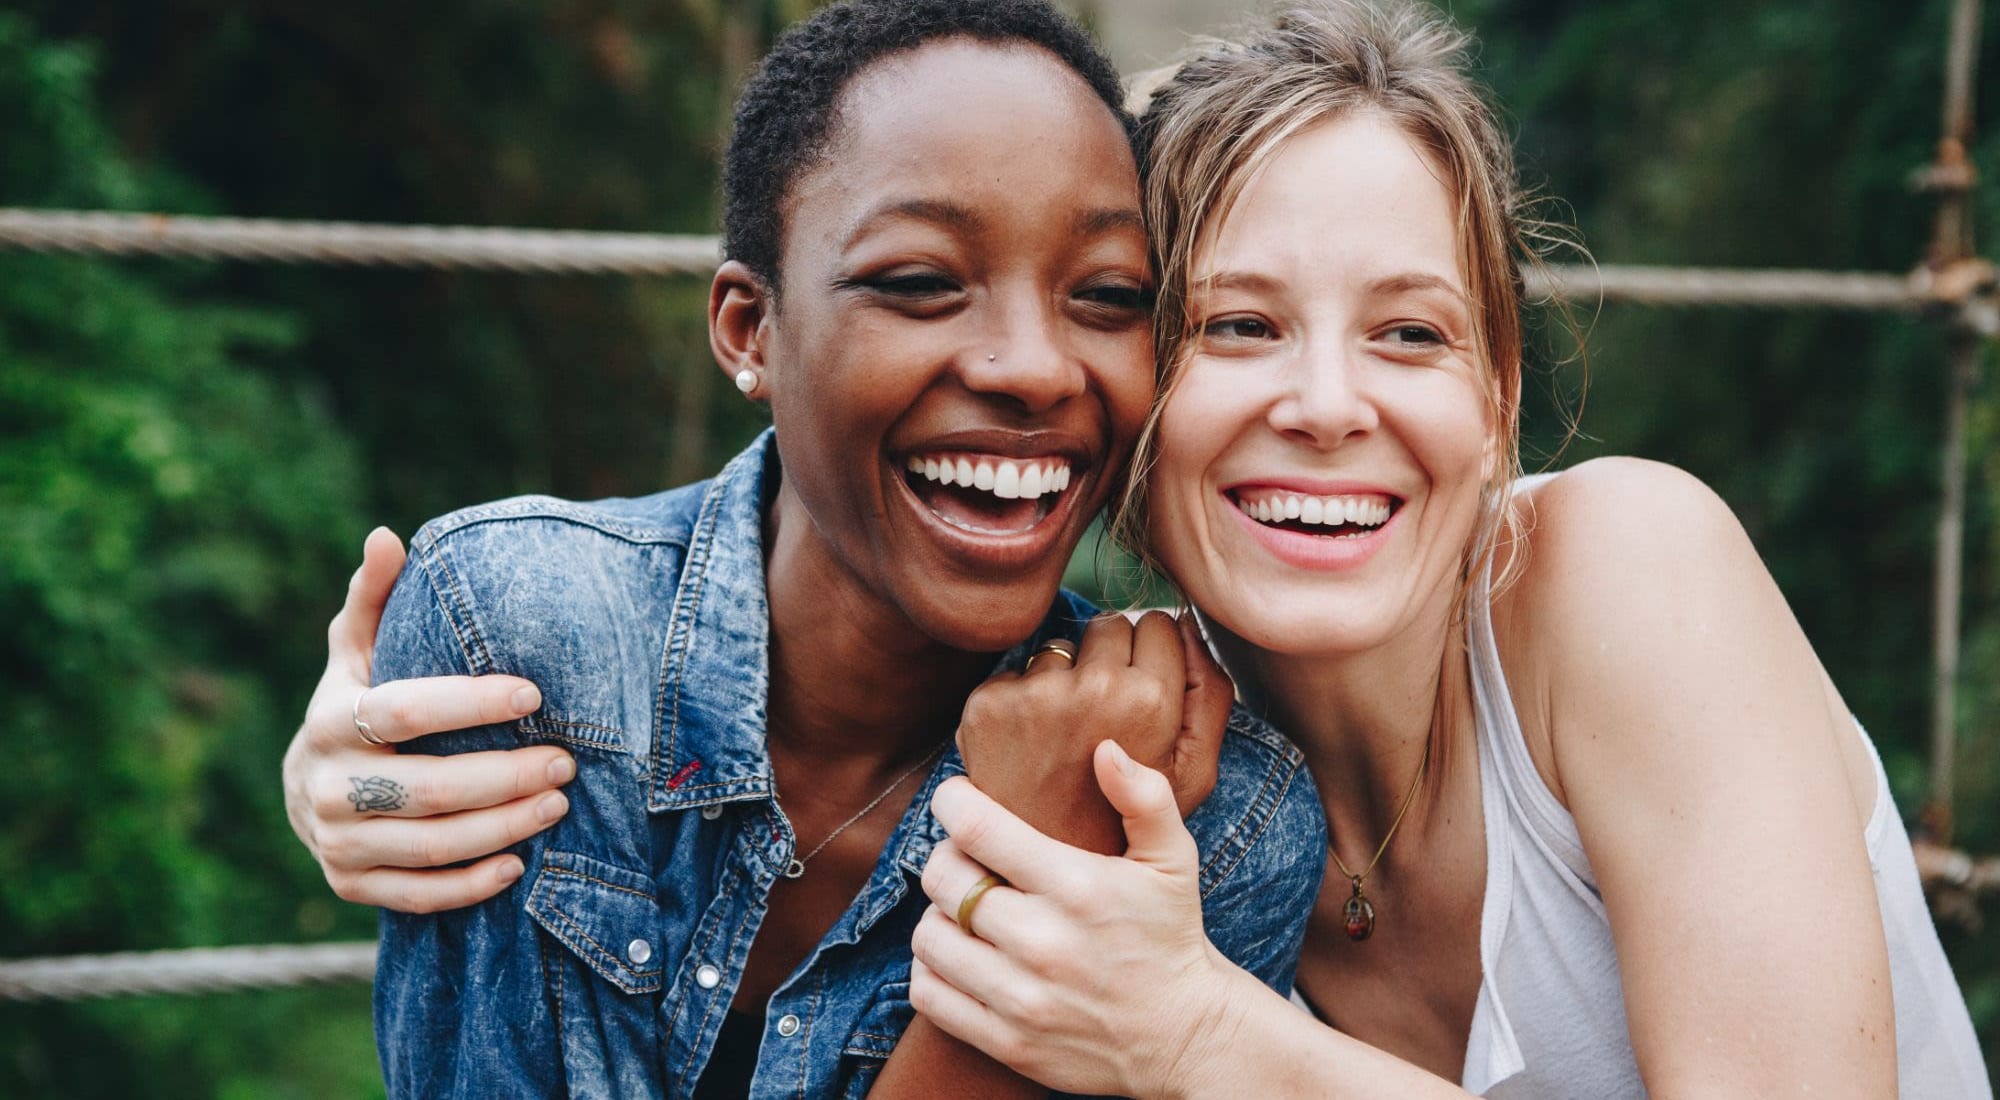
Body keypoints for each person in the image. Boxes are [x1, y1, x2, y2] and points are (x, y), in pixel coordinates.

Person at [904, 2, 1993, 1097]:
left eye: (1408, 333)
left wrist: (1203, 1038)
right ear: (1131, 401)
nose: (1327, 406)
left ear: (1495, 402)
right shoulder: (1153, 766)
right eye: (1236, 324)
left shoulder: (1628, 567)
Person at [282, 1, 1326, 1096]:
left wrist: (1052, 869)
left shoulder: (1207, 819)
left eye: (1108, 296)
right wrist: (1028, 891)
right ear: (749, 329)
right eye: (921, 282)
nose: (1034, 368)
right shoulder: (528, 645)